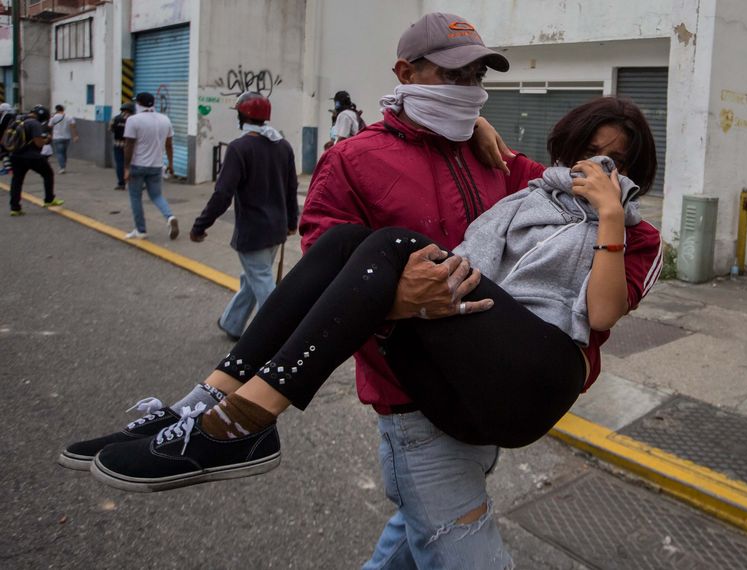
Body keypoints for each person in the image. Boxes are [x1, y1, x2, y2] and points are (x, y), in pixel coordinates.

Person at [61, 13, 661, 568]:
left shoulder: (534, 182)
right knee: (360, 247)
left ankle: (239, 416)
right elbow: (329, 267)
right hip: (416, 400)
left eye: (477, 75)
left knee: (389, 247)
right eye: (455, 73)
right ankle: (208, 405)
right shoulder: (366, 160)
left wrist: (499, 142)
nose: (469, 85)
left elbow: (593, 269)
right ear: (406, 74)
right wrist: (401, 298)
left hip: (508, 376)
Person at [190, 92, 300, 341]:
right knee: (254, 277)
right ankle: (232, 323)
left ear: (243, 116)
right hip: (277, 229)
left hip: (254, 230)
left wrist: (200, 225)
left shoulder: (239, 148)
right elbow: (291, 187)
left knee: (261, 280)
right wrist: (292, 222)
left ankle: (277, 335)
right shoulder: (282, 145)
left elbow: (222, 193)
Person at [122, 92, 179, 240]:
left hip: (137, 165)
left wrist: (126, 167)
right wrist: (171, 164)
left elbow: (129, 145)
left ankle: (141, 230)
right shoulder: (164, 119)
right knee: (157, 195)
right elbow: (169, 145)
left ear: (138, 104)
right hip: (156, 166)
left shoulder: (133, 120)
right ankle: (170, 217)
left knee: (135, 197)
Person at [8, 105, 64, 216]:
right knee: (48, 174)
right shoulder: (34, 124)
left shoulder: (18, 120)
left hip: (15, 155)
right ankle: (49, 200)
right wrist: (47, 139)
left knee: (17, 181)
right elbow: (38, 143)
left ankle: (15, 208)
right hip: (32, 156)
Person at [109, 102, 135, 190]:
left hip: (117, 144)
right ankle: (132, 182)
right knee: (130, 164)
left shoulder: (115, 118)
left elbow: (110, 129)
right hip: (130, 145)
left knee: (120, 164)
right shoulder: (133, 119)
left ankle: (121, 183)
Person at [47, 104, 79, 173]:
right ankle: (63, 165)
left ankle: (62, 167)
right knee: (64, 152)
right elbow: (73, 127)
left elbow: (49, 126)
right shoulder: (69, 117)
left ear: (56, 110)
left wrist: (50, 134)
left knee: (59, 153)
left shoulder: (53, 117)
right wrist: (75, 136)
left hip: (57, 137)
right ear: (63, 109)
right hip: (67, 137)